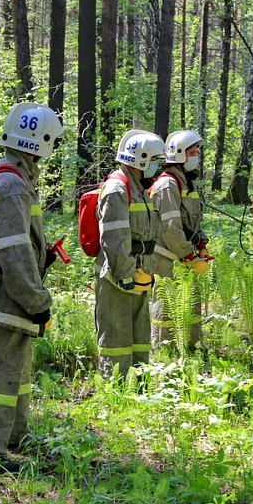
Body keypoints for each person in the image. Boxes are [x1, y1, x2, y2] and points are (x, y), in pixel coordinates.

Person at [0, 102, 64, 474]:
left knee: (16, 370)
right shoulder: (12, 185)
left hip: (12, 291)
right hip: (9, 293)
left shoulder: (13, 179)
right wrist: (37, 300)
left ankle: (14, 436)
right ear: (41, 141)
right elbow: (14, 252)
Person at [94, 130, 164, 380]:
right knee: (116, 333)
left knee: (138, 332)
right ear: (140, 160)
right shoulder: (117, 189)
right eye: (155, 160)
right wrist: (124, 273)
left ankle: (139, 382)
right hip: (117, 275)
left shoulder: (140, 190)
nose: (158, 167)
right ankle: (116, 387)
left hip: (140, 272)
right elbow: (114, 238)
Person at [150, 130, 210, 350]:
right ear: (179, 155)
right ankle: (164, 348)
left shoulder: (187, 182)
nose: (196, 157)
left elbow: (193, 221)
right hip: (168, 255)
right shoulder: (168, 185)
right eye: (192, 152)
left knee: (190, 299)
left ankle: (192, 345)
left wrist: (200, 243)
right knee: (166, 301)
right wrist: (187, 253)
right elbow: (170, 228)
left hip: (185, 253)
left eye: (196, 152)